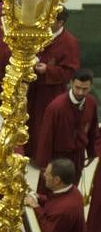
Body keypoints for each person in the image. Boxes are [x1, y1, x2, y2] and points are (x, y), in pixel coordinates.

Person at [26, 9, 81, 157]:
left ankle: (42, 157)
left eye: (49, 19)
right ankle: (30, 153)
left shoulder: (70, 42)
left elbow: (70, 72)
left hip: (52, 92)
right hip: (33, 88)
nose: (45, 21)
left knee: (45, 125)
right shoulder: (41, 32)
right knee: (31, 122)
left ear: (60, 22)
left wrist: (48, 70)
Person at [35, 69, 99, 186]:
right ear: (71, 83)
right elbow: (46, 138)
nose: (80, 92)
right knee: (51, 192)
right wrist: (45, 165)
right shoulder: (56, 107)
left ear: (90, 87)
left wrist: (91, 153)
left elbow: (93, 130)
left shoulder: (91, 103)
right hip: (58, 159)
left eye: (85, 89)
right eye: (77, 87)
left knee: (72, 189)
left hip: (78, 157)